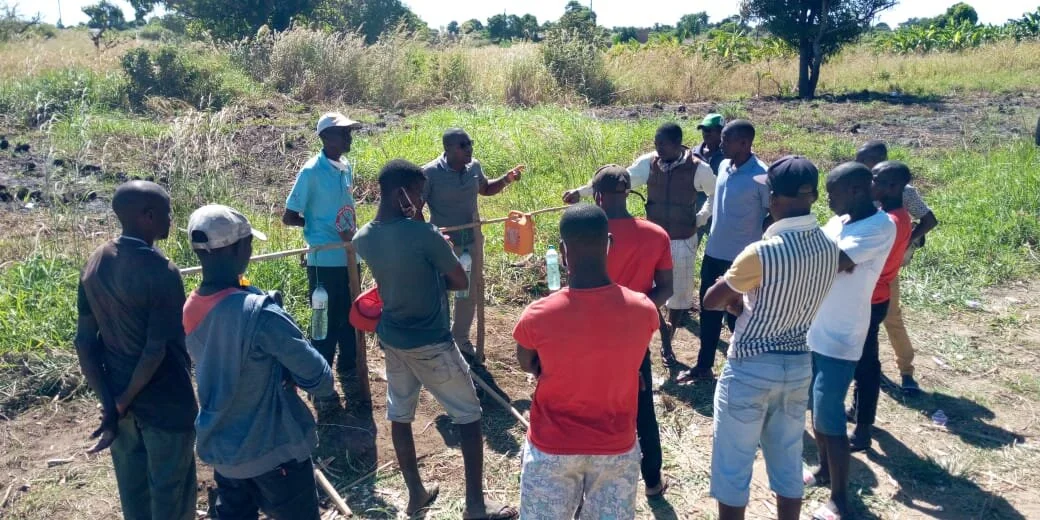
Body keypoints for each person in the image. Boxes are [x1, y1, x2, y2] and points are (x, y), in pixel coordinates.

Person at [353, 160, 517, 520]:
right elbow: (459, 281)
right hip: (431, 341)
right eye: (416, 194)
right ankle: (475, 505)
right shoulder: (425, 235)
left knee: (400, 412)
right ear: (401, 194)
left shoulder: (363, 237)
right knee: (469, 415)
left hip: (392, 338)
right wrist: (433, 250)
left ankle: (416, 494)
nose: (420, 201)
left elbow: (397, 272)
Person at [702, 156, 839, 520]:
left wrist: (738, 303)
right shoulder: (829, 248)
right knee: (788, 458)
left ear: (775, 199)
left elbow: (712, 301)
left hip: (750, 366)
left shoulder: (761, 252)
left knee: (734, 462)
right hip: (797, 367)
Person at [183, 205, 337, 520]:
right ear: (238, 248)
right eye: (249, 243)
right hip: (274, 452)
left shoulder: (189, 309)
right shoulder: (260, 313)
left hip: (226, 455)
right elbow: (320, 378)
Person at [513, 204, 660, 519]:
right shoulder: (644, 310)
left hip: (552, 447)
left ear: (564, 253)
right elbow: (630, 359)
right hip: (616, 446)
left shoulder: (539, 315)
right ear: (609, 244)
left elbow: (527, 363)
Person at [74, 180, 198, 520]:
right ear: (147, 216)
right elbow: (155, 350)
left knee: (135, 499)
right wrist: (123, 399)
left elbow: (84, 343)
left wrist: (110, 404)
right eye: (166, 213)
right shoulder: (162, 272)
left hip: (121, 408)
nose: (172, 219)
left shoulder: (95, 264)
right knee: (172, 499)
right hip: (165, 404)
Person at [563, 122, 715, 365]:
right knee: (653, 290)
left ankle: (669, 338)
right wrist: (581, 193)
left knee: (677, 294)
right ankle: (658, 331)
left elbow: (714, 194)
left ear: (677, 143)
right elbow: (617, 182)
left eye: (663, 144)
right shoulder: (649, 163)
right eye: (656, 143)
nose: (658, 148)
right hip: (654, 238)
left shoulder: (698, 169)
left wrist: (700, 219)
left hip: (682, 237)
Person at [804, 163, 896, 520]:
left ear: (856, 191)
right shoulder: (840, 221)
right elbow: (818, 251)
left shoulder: (879, 226)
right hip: (815, 329)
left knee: (830, 419)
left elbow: (832, 260)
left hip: (841, 337)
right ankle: (825, 470)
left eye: (833, 192)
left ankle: (840, 500)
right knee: (816, 408)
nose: (827, 199)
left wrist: (815, 257)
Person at [590, 165, 674, 497]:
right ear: (628, 193)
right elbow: (665, 289)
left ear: (597, 196)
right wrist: (635, 308)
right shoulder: (656, 234)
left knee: (594, 404)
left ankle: (597, 479)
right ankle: (652, 481)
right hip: (634, 337)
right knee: (642, 408)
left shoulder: (587, 233)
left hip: (592, 334)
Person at [421, 128, 523, 364]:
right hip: (444, 244)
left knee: (469, 290)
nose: (469, 149)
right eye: (463, 145)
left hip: (472, 241)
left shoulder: (474, 167)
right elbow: (417, 207)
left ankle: (461, 338)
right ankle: (440, 339)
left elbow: (485, 189)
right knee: (440, 290)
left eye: (470, 144)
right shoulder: (429, 173)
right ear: (447, 149)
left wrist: (506, 179)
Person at [680, 119, 771, 382]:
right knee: (709, 310)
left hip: (743, 259)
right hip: (714, 253)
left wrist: (755, 238)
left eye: (727, 139)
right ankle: (703, 366)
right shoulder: (721, 165)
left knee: (738, 315)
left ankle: (745, 369)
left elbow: (772, 213)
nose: (721, 143)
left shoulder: (761, 174)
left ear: (745, 143)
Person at [282, 112, 362, 392]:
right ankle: (321, 380)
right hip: (324, 260)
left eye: (349, 132)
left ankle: (350, 368)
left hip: (350, 256)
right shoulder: (311, 172)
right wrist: (316, 226)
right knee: (325, 319)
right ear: (326, 137)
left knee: (352, 314)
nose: (348, 137)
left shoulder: (345, 166)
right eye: (343, 132)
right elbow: (289, 216)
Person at [856, 140, 939, 393]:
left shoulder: (904, 193)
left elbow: (929, 219)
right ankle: (868, 369)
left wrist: (904, 242)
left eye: (865, 162)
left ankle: (906, 371)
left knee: (892, 319)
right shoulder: (861, 188)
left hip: (886, 270)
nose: (860, 167)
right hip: (864, 267)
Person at [849, 161, 914, 452]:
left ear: (894, 187)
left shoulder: (891, 223)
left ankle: (863, 429)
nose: (870, 182)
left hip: (869, 298)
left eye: (876, 178)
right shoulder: (894, 216)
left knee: (865, 365)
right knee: (863, 362)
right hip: (874, 296)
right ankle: (857, 412)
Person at [694, 113, 726, 247]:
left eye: (709, 130)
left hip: (718, 209)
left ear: (720, 132)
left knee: (719, 246)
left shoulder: (728, 154)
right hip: (697, 207)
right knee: (692, 245)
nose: (705, 134)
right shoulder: (695, 152)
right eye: (703, 130)